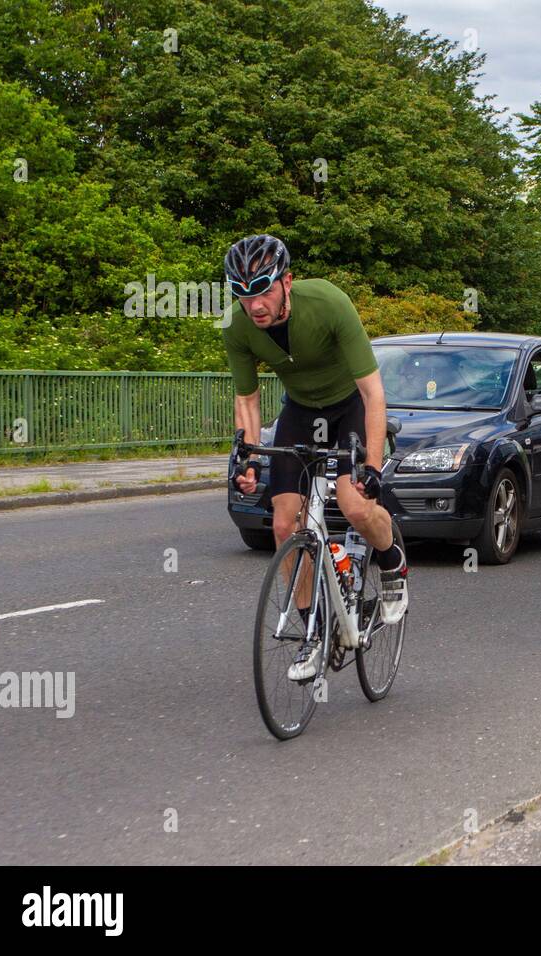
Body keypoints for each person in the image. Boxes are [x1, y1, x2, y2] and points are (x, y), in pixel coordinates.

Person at [223, 234, 404, 680]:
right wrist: (245, 458)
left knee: (355, 504)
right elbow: (247, 399)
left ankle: (392, 560)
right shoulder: (237, 326)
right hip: (301, 411)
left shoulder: (327, 302)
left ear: (287, 281)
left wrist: (372, 467)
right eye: (243, 294)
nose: (255, 305)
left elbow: (372, 391)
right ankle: (316, 632)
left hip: (350, 406)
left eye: (264, 289)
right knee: (285, 523)